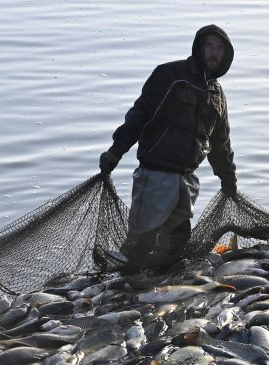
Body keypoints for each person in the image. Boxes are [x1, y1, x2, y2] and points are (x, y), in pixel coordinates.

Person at [99, 25, 237, 267]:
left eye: (219, 48)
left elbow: (220, 143)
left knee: (177, 243)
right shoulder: (170, 75)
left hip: (187, 180)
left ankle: (158, 285)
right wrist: (116, 151)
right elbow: (139, 116)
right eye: (209, 46)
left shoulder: (216, 93)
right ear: (199, 48)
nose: (214, 53)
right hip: (155, 175)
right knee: (141, 242)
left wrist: (228, 180)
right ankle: (123, 289)